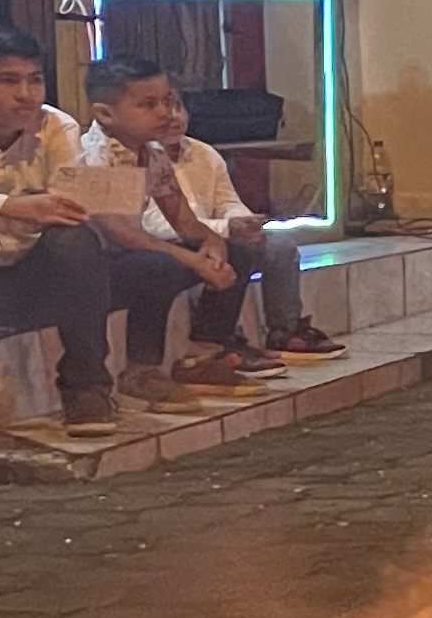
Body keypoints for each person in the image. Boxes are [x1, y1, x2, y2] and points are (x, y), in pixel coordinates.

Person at [75, 58, 324, 408]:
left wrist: (212, 242)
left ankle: (203, 355)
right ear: (105, 114)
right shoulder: (94, 155)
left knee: (241, 251)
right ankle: (141, 372)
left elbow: (181, 216)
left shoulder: (152, 151)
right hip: (90, 268)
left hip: (130, 254)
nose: (164, 113)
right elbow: (118, 233)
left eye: (168, 101)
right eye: (148, 104)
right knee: (157, 267)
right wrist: (192, 258)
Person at [0, 26, 120, 434]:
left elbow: (66, 205)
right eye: (8, 80)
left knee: (75, 239)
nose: (26, 94)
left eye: (35, 80)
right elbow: (38, 206)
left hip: (34, 270)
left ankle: (86, 388)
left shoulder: (56, 126)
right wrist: (14, 206)